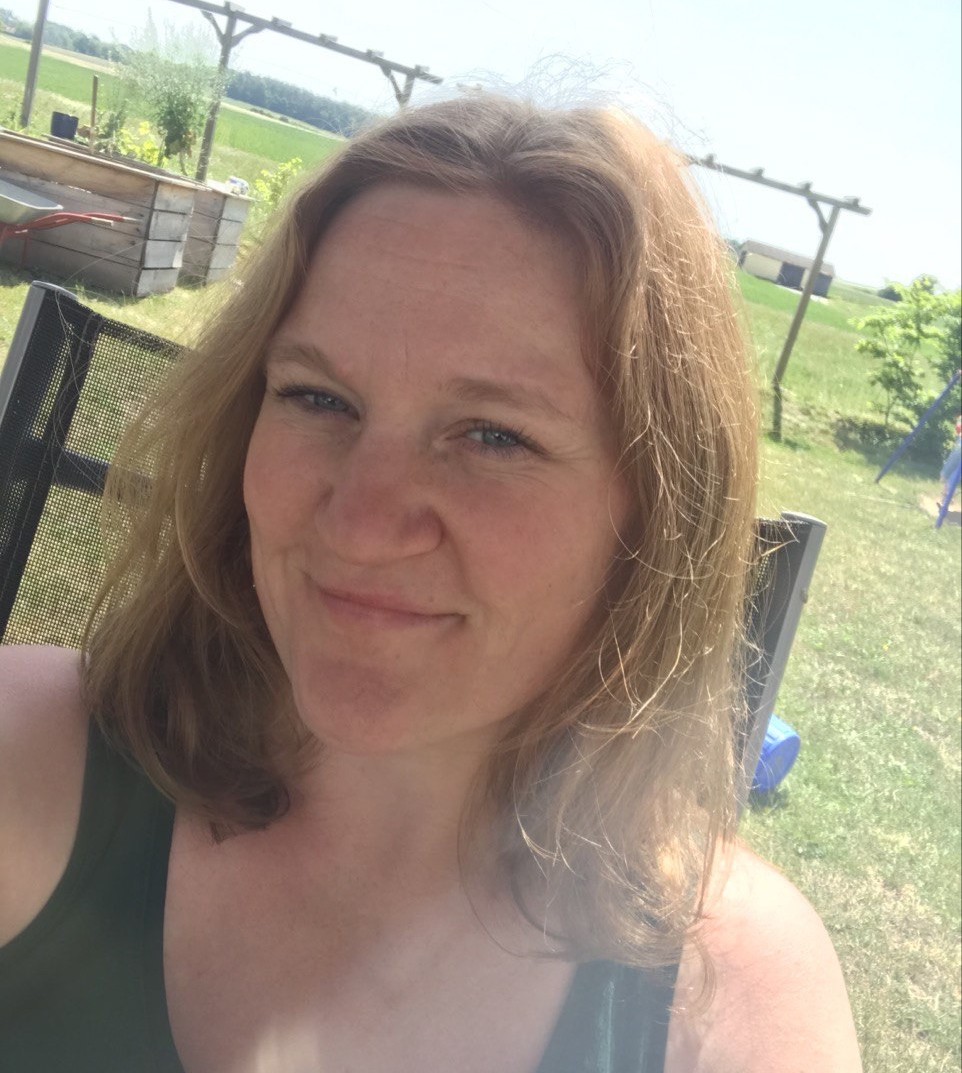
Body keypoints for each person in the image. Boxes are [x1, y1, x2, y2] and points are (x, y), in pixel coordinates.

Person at [0, 94, 862, 1072]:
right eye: (318, 397)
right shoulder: (31, 756)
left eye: (494, 436)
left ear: (653, 519)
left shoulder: (724, 995)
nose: (360, 525)